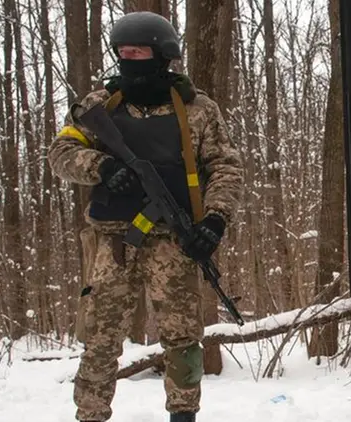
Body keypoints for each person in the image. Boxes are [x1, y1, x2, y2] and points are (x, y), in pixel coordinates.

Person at [47, 11, 243, 422]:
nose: (129, 58)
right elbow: (60, 154)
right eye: (123, 52)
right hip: (113, 243)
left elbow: (225, 167)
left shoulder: (198, 109)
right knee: (99, 339)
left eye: (138, 51)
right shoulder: (99, 106)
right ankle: (91, 415)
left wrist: (214, 221)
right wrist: (101, 168)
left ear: (162, 54)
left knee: (183, 338)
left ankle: (183, 415)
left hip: (175, 240)